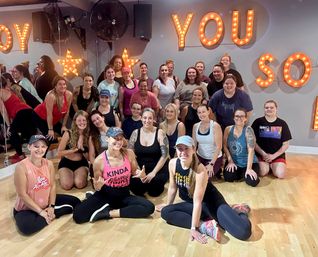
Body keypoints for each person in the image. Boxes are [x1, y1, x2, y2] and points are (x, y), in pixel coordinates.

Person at [156, 136, 252, 243]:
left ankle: (239, 211)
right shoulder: (172, 163)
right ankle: (204, 225)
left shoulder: (200, 170)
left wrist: (193, 229)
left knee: (243, 232)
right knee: (166, 212)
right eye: (180, 148)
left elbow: (198, 202)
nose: (183, 152)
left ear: (193, 149)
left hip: (212, 204)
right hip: (193, 205)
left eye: (186, 148)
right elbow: (173, 187)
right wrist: (169, 205)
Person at [73, 127, 155, 224]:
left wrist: (141, 174)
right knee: (78, 216)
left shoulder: (129, 153)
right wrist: (98, 187)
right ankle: (94, 199)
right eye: (115, 138)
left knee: (149, 207)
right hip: (106, 195)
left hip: (123, 194)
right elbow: (97, 185)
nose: (118, 141)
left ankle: (108, 213)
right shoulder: (99, 161)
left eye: (120, 138)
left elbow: (134, 171)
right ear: (107, 138)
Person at [13, 135, 80, 235]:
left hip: (45, 202)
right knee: (27, 228)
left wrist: (51, 206)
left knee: (76, 202)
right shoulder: (21, 167)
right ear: (29, 147)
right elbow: (22, 195)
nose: (40, 149)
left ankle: (51, 212)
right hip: (26, 208)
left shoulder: (48, 164)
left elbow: (52, 186)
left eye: (43, 146)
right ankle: (51, 214)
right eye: (36, 146)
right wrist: (41, 212)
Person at [128, 108, 169, 196]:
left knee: (154, 191)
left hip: (157, 167)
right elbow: (130, 155)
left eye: (150, 118)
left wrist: (153, 172)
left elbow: (165, 155)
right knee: (138, 190)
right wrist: (139, 171)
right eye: (145, 118)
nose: (147, 120)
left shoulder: (160, 133)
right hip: (140, 167)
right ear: (141, 118)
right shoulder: (135, 133)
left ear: (154, 119)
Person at [252, 100, 292, 178]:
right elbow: (253, 142)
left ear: (276, 109)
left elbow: (286, 145)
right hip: (262, 155)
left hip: (277, 155)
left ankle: (272, 166)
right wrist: (264, 154)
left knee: (281, 175)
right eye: (266, 107)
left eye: (271, 107)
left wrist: (273, 156)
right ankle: (268, 167)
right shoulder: (258, 122)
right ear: (264, 109)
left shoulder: (282, 123)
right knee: (262, 172)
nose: (269, 109)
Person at [0, 76, 36, 163]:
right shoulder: (8, 90)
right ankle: (32, 154)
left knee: (11, 134)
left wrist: (9, 125)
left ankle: (20, 156)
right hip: (28, 110)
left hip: (21, 112)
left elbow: (3, 109)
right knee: (29, 134)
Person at [223, 109, 260, 187]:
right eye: (237, 116)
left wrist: (249, 168)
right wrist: (230, 161)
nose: (239, 118)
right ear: (233, 118)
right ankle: (241, 175)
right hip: (234, 161)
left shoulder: (248, 130)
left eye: (242, 116)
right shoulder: (228, 129)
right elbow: (225, 146)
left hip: (248, 162)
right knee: (228, 178)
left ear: (246, 118)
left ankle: (245, 174)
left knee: (252, 182)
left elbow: (251, 151)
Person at [33, 76, 73, 143]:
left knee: (66, 134)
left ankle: (64, 151)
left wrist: (63, 126)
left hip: (53, 119)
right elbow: (49, 114)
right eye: (60, 84)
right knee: (52, 139)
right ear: (55, 86)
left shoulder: (69, 94)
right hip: (39, 116)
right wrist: (50, 129)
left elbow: (67, 111)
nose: (62, 86)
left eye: (64, 84)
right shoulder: (51, 96)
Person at [57, 111, 90, 190]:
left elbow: (89, 157)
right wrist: (73, 150)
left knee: (80, 184)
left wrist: (82, 148)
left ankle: (77, 175)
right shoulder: (68, 133)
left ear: (87, 121)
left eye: (84, 120)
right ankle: (65, 175)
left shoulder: (89, 135)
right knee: (67, 185)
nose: (82, 122)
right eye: (79, 120)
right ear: (75, 121)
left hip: (81, 163)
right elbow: (59, 153)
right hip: (66, 163)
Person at [192, 104, 223, 178]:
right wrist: (195, 161)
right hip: (200, 156)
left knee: (203, 177)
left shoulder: (215, 126)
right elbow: (194, 145)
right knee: (192, 175)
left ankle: (217, 168)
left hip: (214, 158)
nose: (201, 114)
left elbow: (219, 147)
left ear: (208, 111)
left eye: (203, 112)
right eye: (199, 112)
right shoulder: (195, 126)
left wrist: (211, 164)